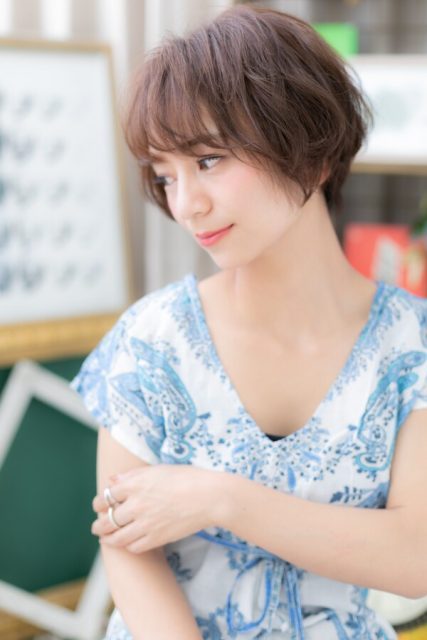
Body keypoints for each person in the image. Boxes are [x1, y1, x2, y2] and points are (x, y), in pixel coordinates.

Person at [71, 4, 427, 639]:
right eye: (165, 176)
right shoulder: (153, 339)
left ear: (309, 151)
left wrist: (221, 498)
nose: (186, 203)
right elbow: (127, 545)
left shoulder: (412, 344)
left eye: (208, 160)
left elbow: (414, 557)